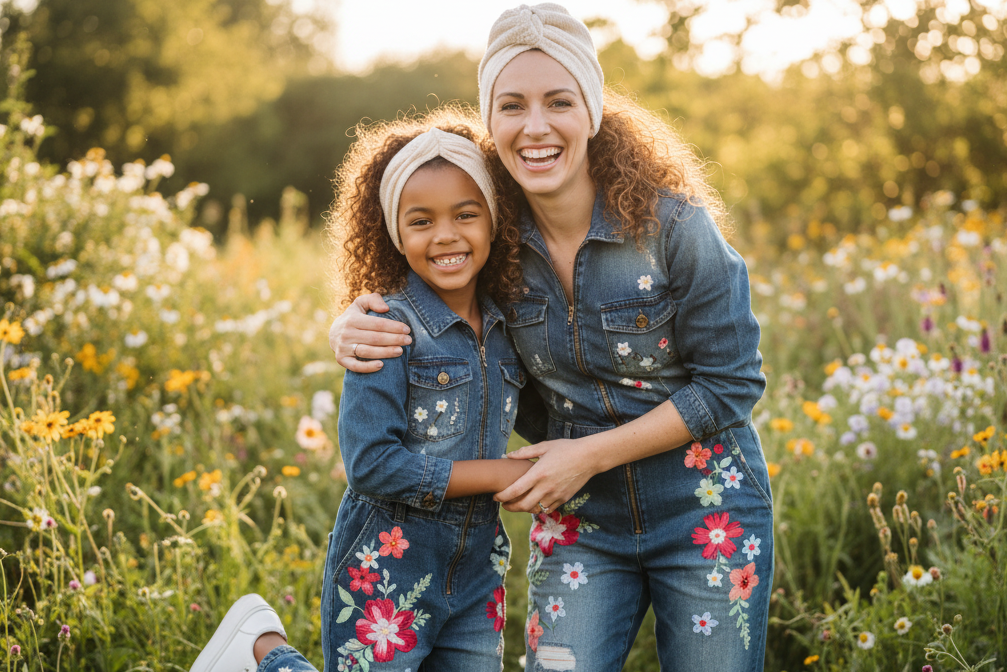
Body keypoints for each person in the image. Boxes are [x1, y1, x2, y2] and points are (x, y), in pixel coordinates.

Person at [328, 4, 775, 670]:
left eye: (557, 101)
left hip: (706, 510)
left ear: (591, 111)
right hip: (580, 524)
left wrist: (589, 454)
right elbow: (422, 292)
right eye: (510, 105)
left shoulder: (674, 231)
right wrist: (348, 322)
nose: (534, 127)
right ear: (491, 121)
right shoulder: (489, 241)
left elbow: (732, 383)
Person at [191, 114, 536, 672]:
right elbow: (371, 463)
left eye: (465, 214)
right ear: (395, 235)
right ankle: (263, 654)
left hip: (477, 569)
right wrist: (498, 474)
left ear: (494, 220)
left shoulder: (507, 328)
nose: (445, 234)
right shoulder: (384, 327)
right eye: (420, 221)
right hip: (386, 560)